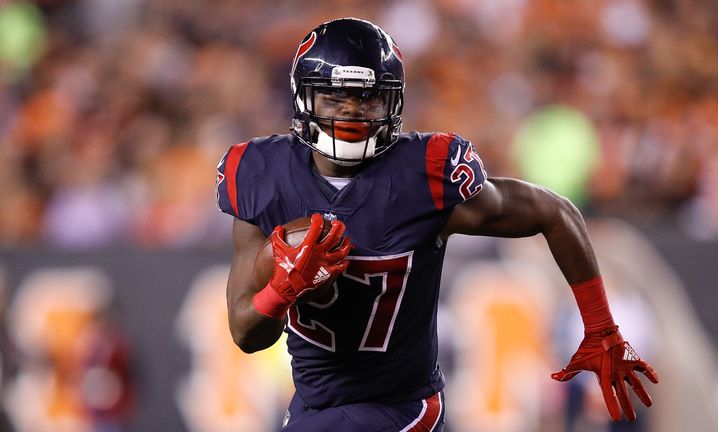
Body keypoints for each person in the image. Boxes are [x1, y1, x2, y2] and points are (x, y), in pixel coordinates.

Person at [216, 17, 659, 431]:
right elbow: (245, 333)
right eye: (334, 96)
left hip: (403, 410)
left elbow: (555, 212)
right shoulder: (260, 176)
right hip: (315, 407)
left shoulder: (422, 174)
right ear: (303, 98)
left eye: (368, 98)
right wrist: (282, 289)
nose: (351, 111)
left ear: (393, 101)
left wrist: (601, 326)